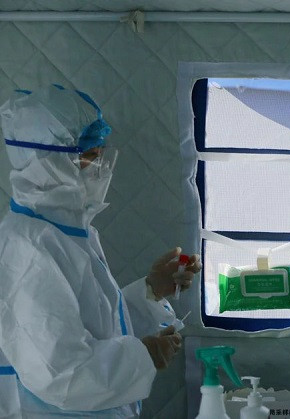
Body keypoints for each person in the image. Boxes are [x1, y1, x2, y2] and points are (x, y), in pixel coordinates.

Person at [0, 85, 202, 417]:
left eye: (100, 155)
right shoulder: (30, 248)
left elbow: (96, 330)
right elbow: (62, 375)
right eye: (89, 158)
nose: (101, 169)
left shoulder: (68, 234)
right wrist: (145, 355)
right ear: (46, 162)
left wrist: (151, 292)